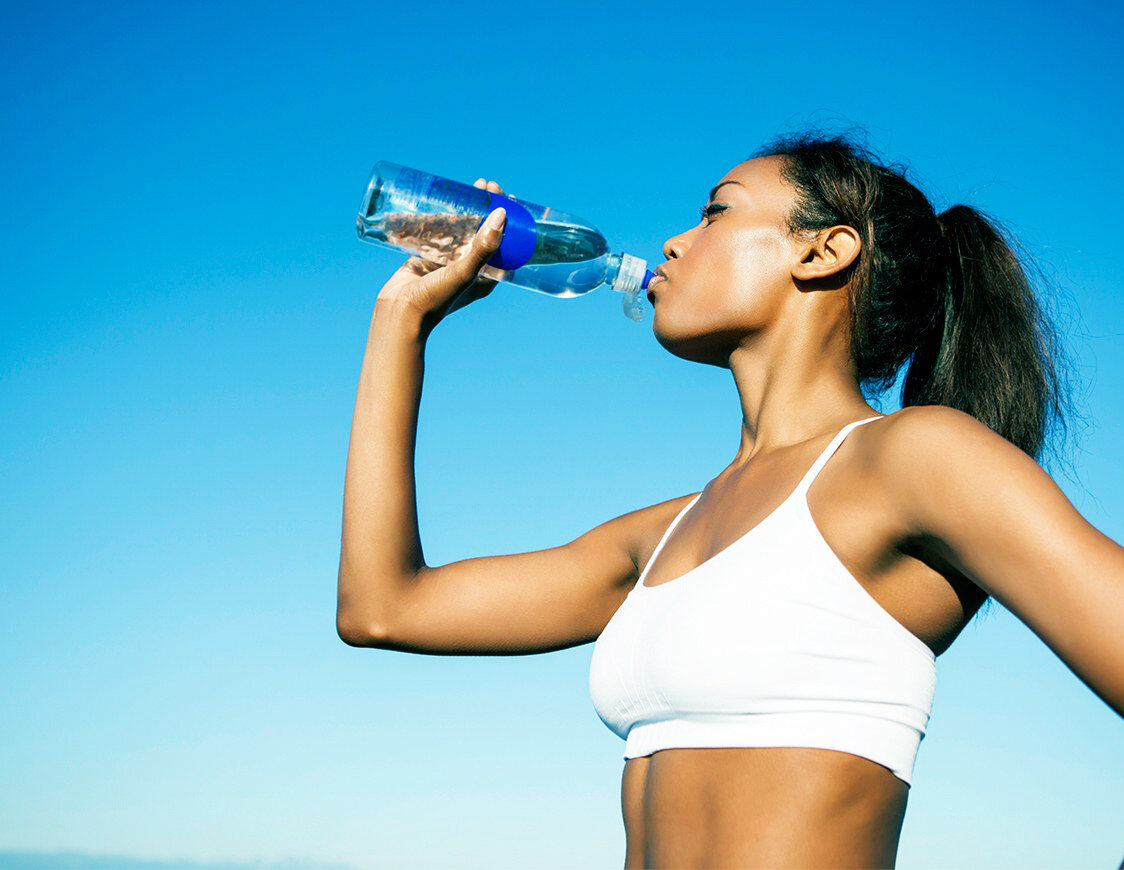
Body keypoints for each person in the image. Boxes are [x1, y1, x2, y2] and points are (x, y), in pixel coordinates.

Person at [335, 131, 1124, 868]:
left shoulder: (915, 458)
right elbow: (383, 608)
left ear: (823, 251)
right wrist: (402, 318)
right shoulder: (661, 535)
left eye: (716, 212)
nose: (676, 242)